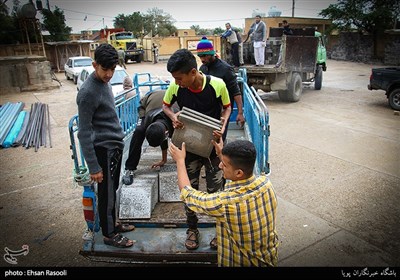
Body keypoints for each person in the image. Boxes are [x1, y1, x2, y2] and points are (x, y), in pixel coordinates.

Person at [169, 139, 279, 266]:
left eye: (224, 165)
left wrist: (180, 161)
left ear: (239, 172)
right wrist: (222, 155)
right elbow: (236, 181)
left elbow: (188, 194)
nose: (220, 166)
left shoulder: (227, 203)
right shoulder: (265, 183)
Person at [162, 48, 231, 251]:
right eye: (174, 78)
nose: (176, 82)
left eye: (179, 78)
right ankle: (192, 229)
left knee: (216, 192)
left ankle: (221, 230)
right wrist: (174, 117)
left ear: (193, 72)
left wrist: (223, 126)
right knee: (189, 191)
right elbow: (165, 106)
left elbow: (227, 107)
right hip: (188, 147)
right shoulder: (175, 87)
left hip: (213, 148)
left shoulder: (217, 85)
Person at [76, 43, 134, 248]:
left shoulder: (104, 83)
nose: (109, 74)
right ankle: (109, 235)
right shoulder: (87, 92)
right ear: (94, 65)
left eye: (112, 69)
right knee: (106, 193)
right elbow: (83, 132)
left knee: (112, 189)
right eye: (105, 69)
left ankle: (114, 223)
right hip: (103, 149)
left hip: (114, 147)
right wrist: (93, 166)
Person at [122, 90, 174, 185]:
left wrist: (164, 160)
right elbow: (158, 130)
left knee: (177, 137)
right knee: (138, 131)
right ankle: (129, 168)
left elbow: (163, 134)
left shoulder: (176, 120)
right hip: (148, 102)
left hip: (169, 105)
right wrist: (142, 117)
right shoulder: (146, 122)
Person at [196, 36, 245, 130]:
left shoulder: (225, 69)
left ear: (211, 54)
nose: (202, 59)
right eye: (200, 56)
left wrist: (240, 113)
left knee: (220, 136)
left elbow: (236, 92)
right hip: (208, 111)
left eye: (205, 56)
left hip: (223, 111)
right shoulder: (203, 68)